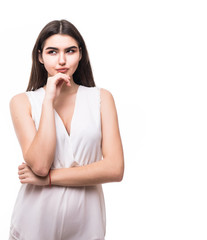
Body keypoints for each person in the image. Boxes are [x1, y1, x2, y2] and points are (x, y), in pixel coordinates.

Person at [8, 19, 124, 240]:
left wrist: (49, 179)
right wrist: (48, 100)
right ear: (40, 57)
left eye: (70, 51)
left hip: (87, 225)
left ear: (80, 54)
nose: (62, 60)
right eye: (52, 52)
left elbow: (115, 169)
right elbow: (40, 164)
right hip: (35, 223)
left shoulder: (101, 98)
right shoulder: (22, 102)